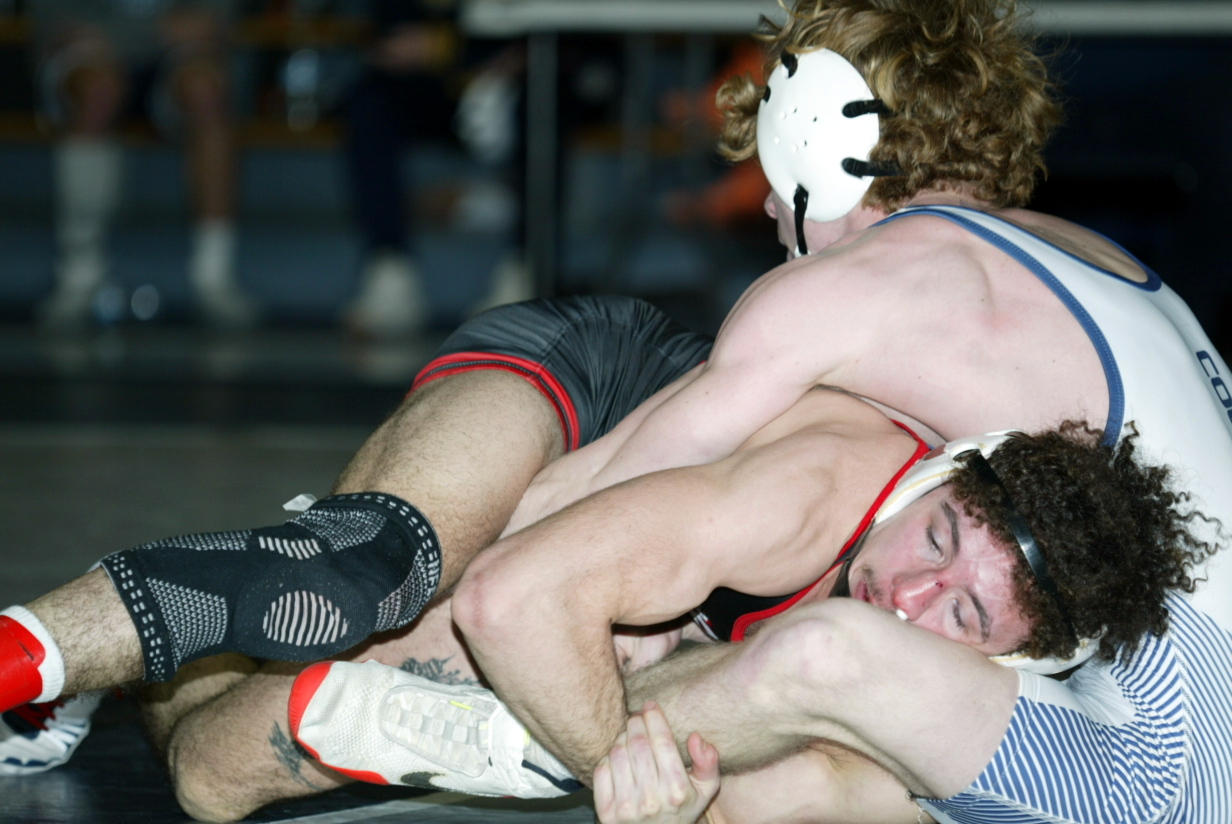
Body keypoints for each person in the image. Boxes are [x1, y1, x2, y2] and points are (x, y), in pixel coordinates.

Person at [3, 0, 1232, 817]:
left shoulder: (866, 296)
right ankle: (146, 637)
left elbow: (591, 502)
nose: (763, 207)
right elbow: (561, 529)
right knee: (379, 579)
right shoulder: (1076, 254)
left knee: (300, 681)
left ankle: (186, 646)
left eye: (768, 175)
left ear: (816, 130)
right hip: (640, 409)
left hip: (1169, 747)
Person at [30, 0, 257, 329]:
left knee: (206, 92)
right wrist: (144, 34)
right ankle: (79, 273)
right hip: (90, 47)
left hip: (182, 49)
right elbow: (57, 19)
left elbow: (214, 17)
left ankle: (214, 276)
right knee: (97, 92)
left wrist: (203, 21)